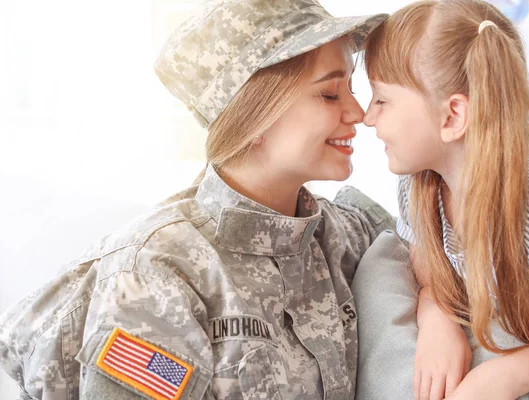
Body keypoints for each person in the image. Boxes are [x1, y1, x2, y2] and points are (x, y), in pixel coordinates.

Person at [0, 1, 393, 399]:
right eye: (329, 93)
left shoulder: (352, 235)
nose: (358, 112)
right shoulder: (155, 276)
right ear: (255, 114)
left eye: (352, 89)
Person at [357, 0, 529, 399]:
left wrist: (502, 377)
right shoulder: (419, 185)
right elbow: (433, 278)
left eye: (382, 99)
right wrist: (436, 316)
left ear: (452, 117)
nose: (368, 117)